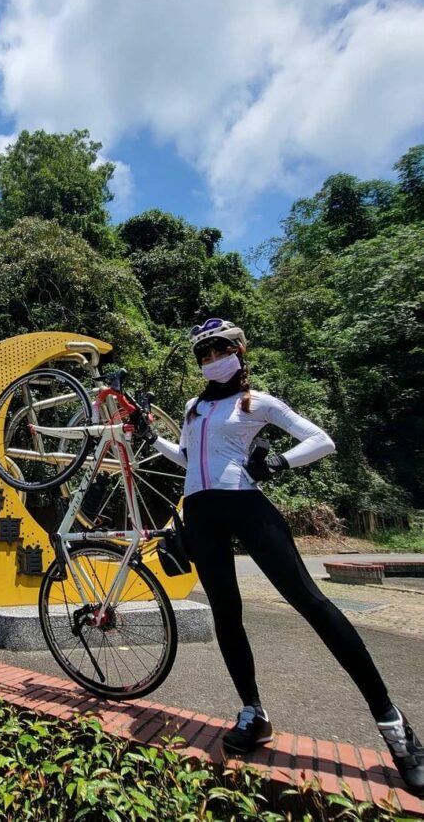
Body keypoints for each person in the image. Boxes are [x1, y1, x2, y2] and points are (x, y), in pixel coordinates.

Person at [143, 317, 424, 797]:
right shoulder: (193, 407)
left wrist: (278, 461)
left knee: (313, 604)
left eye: (219, 350)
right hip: (202, 514)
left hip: (248, 506)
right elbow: (191, 460)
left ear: (239, 349)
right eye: (204, 355)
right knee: (226, 615)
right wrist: (151, 439)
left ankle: (393, 724)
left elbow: (321, 440)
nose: (212, 360)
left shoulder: (257, 401)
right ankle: (252, 711)